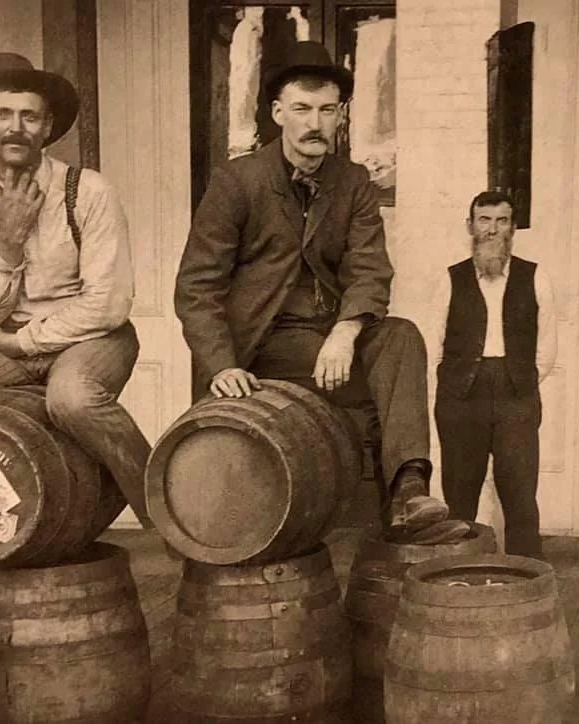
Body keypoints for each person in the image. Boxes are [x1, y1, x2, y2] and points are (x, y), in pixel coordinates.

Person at [174, 41, 463, 543]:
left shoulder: (352, 183)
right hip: (257, 352)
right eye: (302, 109)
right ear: (278, 113)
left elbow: (371, 269)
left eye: (327, 110)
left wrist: (347, 331)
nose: (315, 123)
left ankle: (408, 491)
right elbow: (197, 286)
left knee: (400, 338)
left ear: (340, 117)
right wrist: (221, 365)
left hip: (329, 347)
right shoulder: (237, 181)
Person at [0, 53, 151, 526]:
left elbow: (108, 303)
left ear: (47, 128)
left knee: (72, 399)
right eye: (3, 114)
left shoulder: (88, 191)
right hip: (1, 343)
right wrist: (6, 246)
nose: (15, 128)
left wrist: (20, 341)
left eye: (29, 116)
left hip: (91, 340)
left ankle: (163, 507)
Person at [431, 191, 557, 558]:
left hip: (516, 397)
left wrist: (517, 381)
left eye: (502, 221)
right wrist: (457, 386)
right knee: (460, 495)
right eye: (484, 220)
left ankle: (525, 577)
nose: (492, 229)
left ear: (513, 228)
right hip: (460, 400)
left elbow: (546, 350)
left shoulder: (535, 277)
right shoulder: (450, 279)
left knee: (520, 495)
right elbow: (435, 344)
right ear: (470, 226)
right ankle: (458, 574)